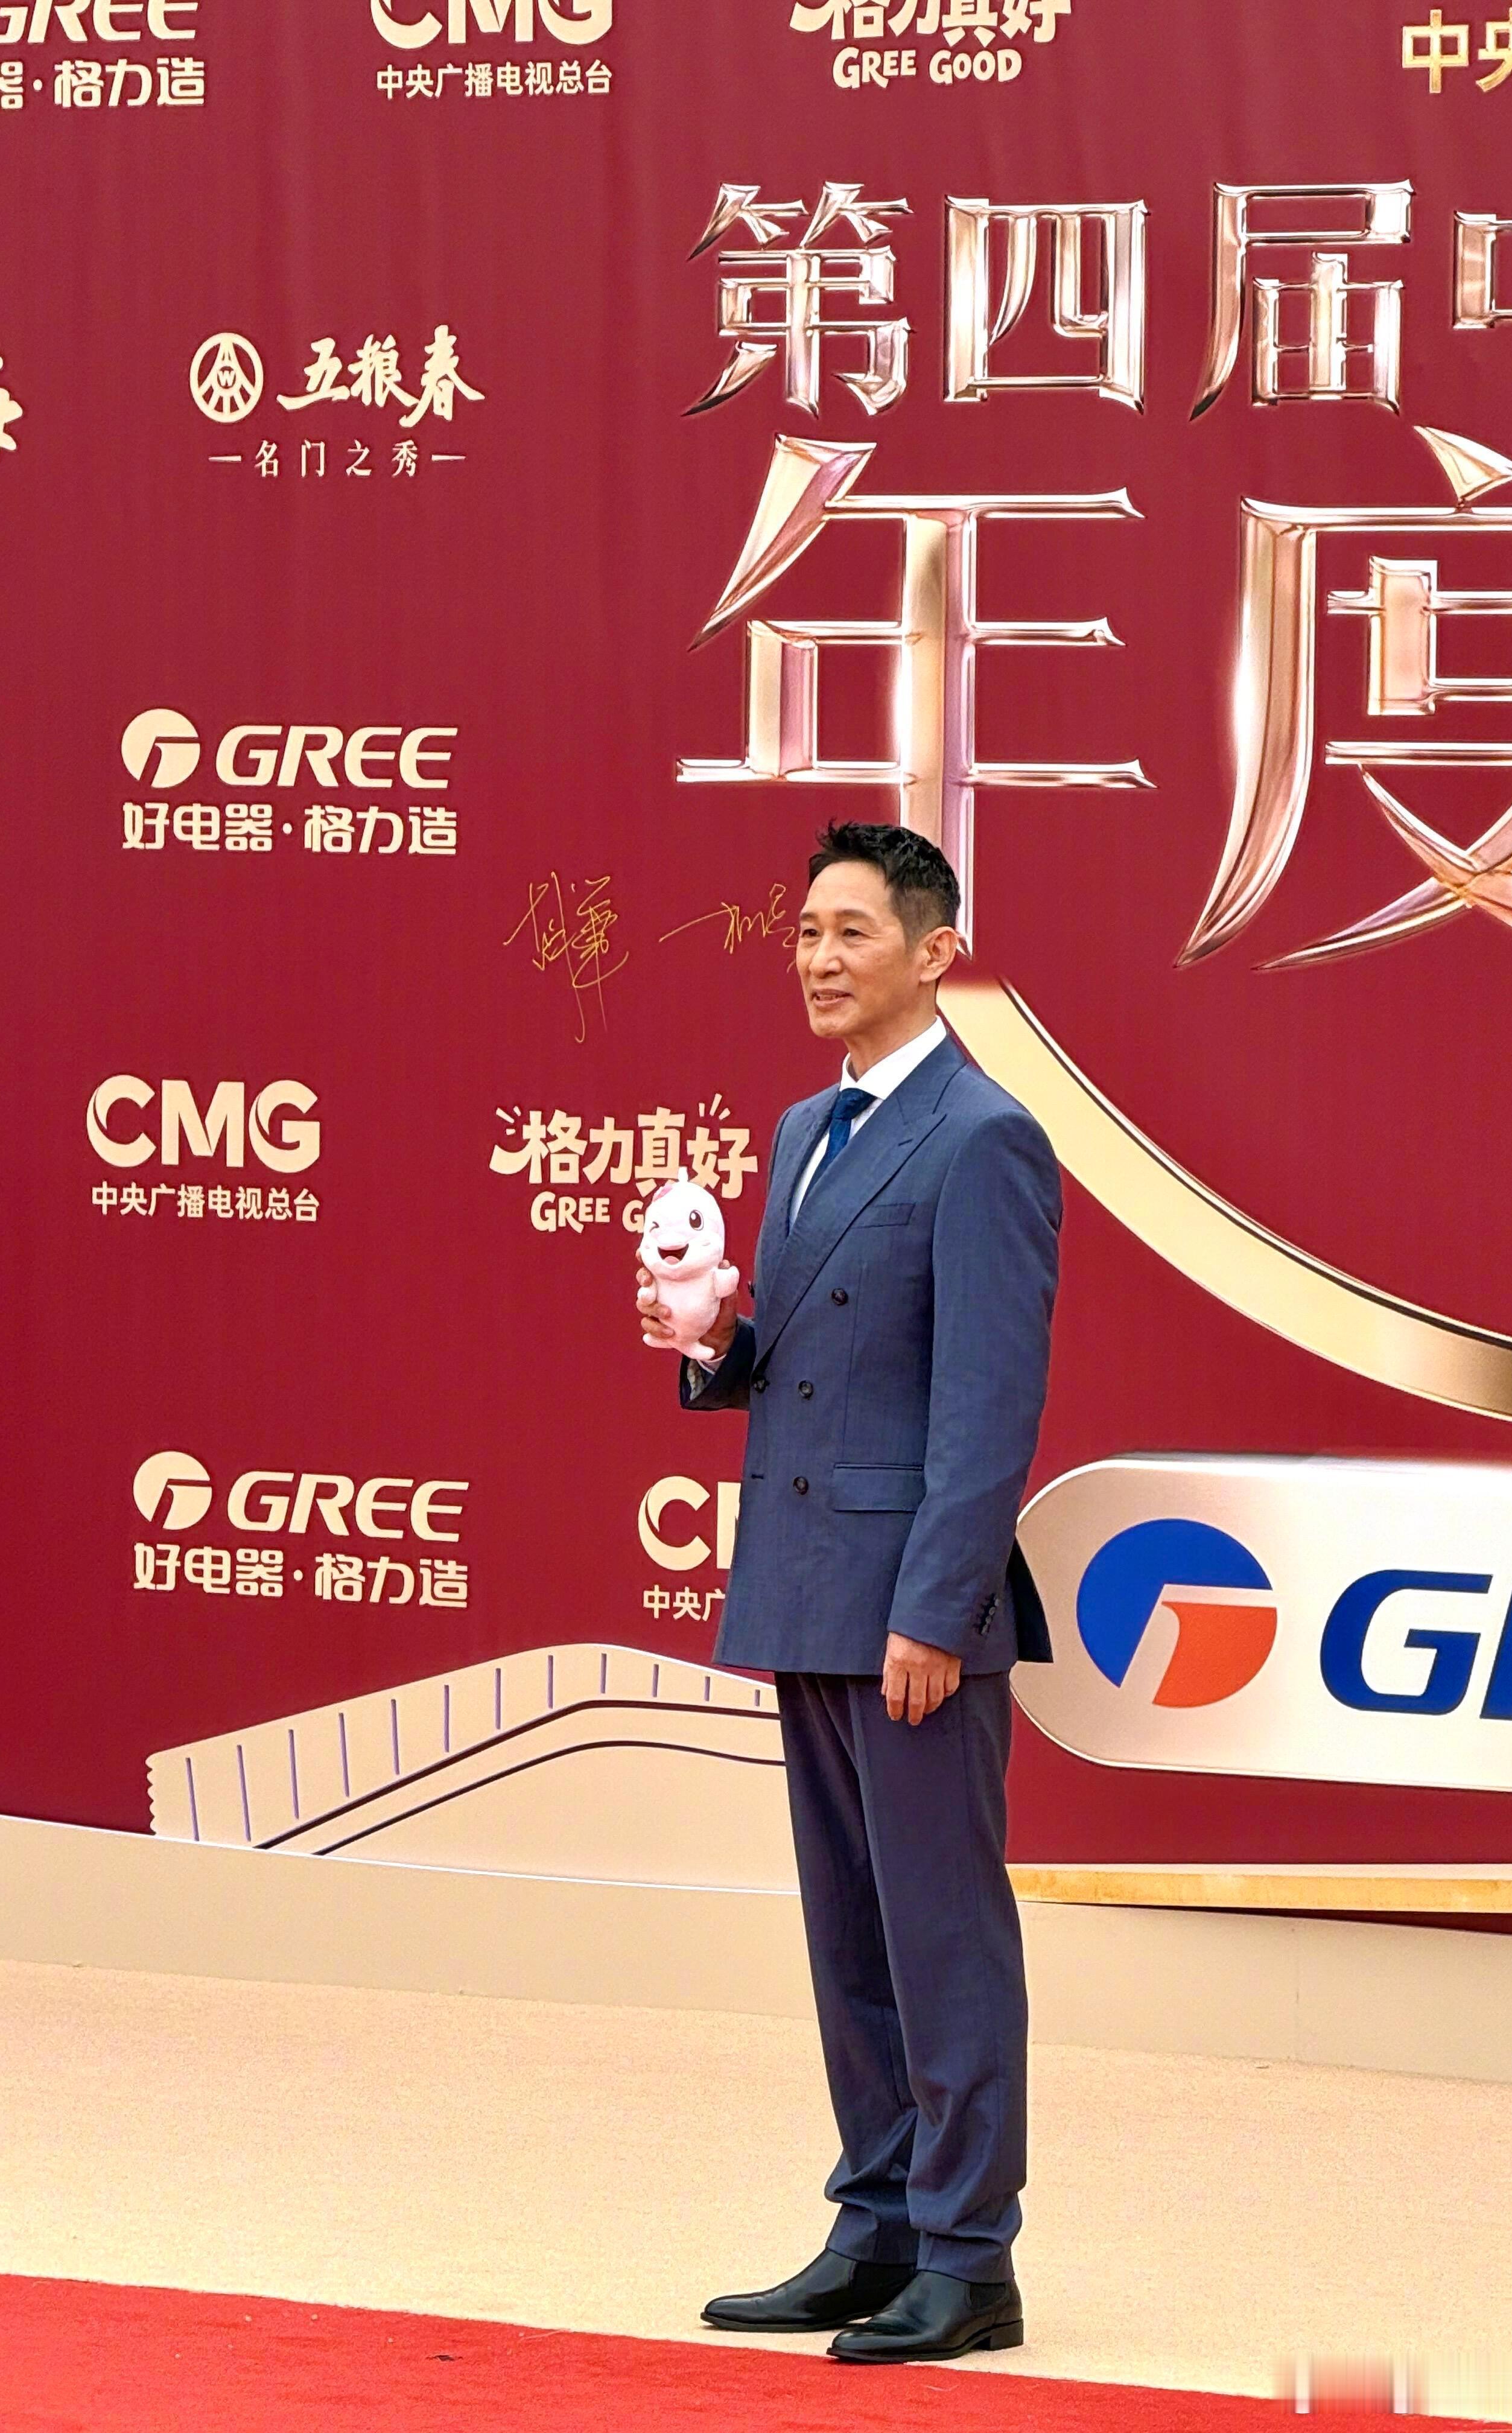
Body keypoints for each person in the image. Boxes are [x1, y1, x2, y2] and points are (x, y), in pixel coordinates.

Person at [635, 822, 1062, 2366]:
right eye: (807, 931)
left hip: (910, 1614)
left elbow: (987, 1404)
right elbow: (811, 1364)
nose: (818, 958)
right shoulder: (805, 1126)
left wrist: (937, 1611)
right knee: (852, 1939)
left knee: (943, 1936)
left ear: (936, 952)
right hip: (807, 1588)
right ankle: (875, 2226)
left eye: (853, 933)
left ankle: (969, 2256)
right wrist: (710, 1339)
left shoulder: (987, 1136)